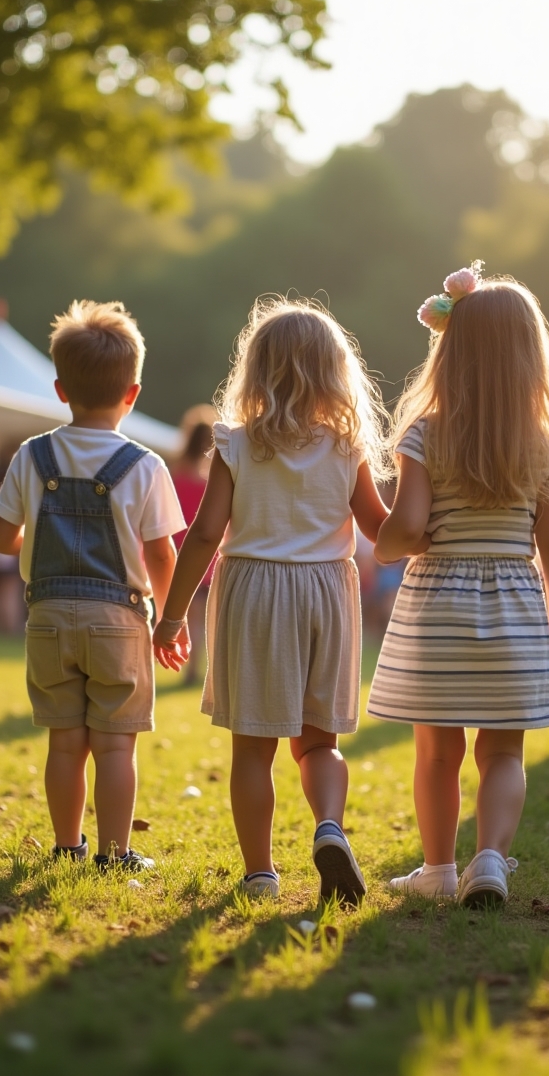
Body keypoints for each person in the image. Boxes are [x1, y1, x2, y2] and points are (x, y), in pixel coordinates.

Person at [152, 299, 391, 904]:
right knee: (320, 744)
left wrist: (173, 613)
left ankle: (260, 873)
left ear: (256, 370)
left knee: (252, 750)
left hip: (255, 591)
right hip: (328, 594)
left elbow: (206, 533)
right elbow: (380, 530)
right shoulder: (347, 446)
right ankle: (329, 826)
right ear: (336, 372)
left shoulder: (235, 441)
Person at [367, 268, 549, 907]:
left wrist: (384, 544)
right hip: (515, 603)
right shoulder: (541, 444)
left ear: (450, 349)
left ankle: (437, 868)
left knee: (436, 753)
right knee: (503, 752)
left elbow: (406, 528)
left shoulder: (425, 432)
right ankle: (490, 859)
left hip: (438, 603)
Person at [0, 300, 185, 869]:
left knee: (64, 742)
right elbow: (161, 552)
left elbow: (2, 539)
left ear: (59, 389)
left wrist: (41, 535)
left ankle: (67, 846)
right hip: (119, 622)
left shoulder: (32, 455)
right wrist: (172, 621)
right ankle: (115, 853)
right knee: (115, 744)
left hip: (48, 619)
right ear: (133, 392)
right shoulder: (145, 465)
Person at [168, 407, 218, 683]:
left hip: (175, 552)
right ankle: (192, 669)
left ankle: (178, 659)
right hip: (204, 556)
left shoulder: (175, 474)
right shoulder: (210, 480)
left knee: (176, 612)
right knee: (197, 617)